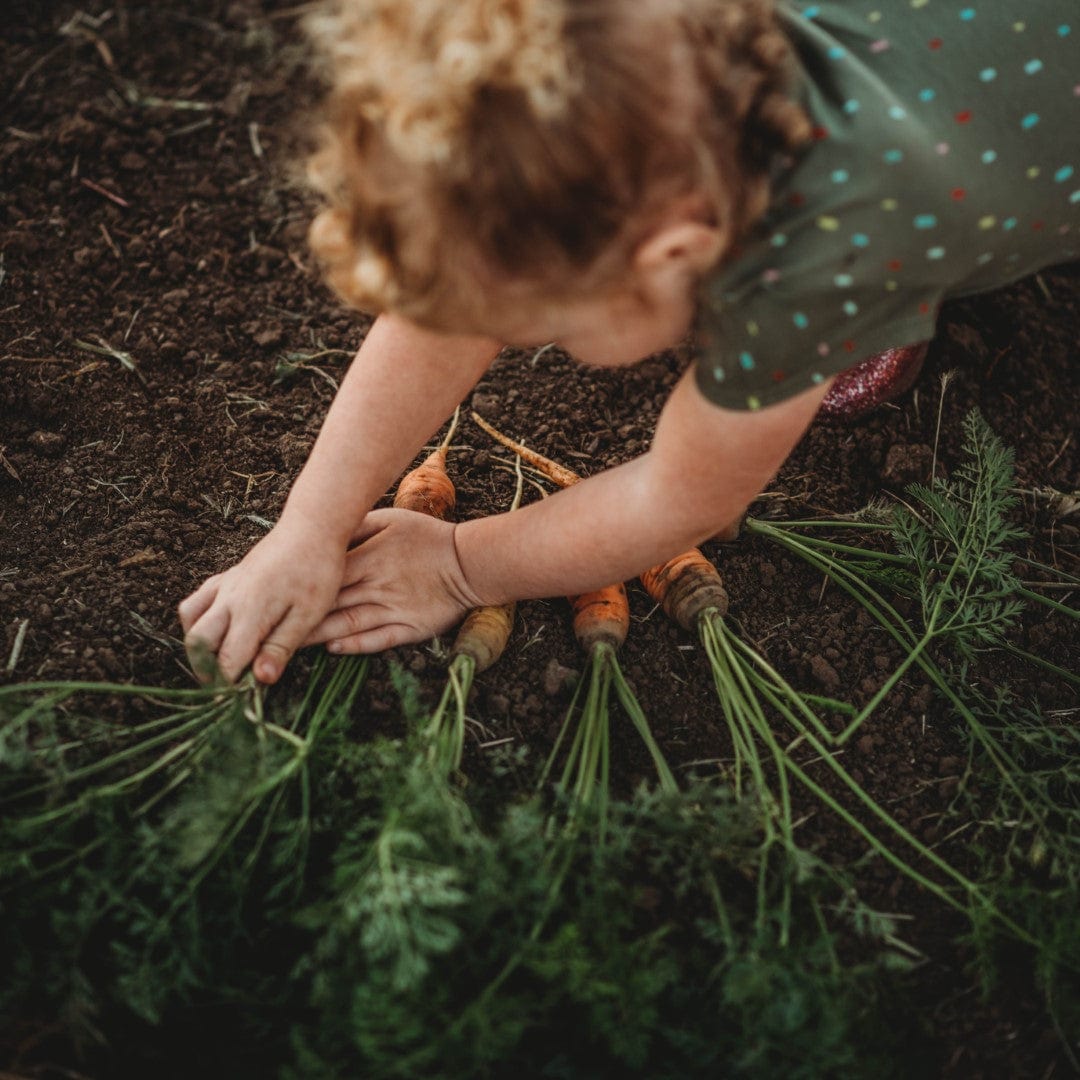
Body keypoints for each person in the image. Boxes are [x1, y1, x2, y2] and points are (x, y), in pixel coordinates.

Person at [179, 0, 1078, 684]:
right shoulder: (654, 49)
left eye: (544, 330)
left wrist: (458, 566)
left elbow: (679, 498)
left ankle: (887, 309)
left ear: (676, 256)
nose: (517, 341)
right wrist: (308, 528)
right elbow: (458, 301)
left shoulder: (813, 262)